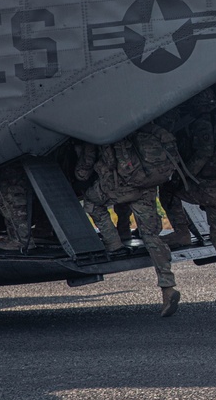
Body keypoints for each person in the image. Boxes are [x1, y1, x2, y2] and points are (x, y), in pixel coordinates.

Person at [75, 126, 181, 317]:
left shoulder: (95, 126)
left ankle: (114, 244)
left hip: (118, 185)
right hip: (146, 184)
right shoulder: (139, 122)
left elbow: (82, 172)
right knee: (151, 236)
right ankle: (168, 287)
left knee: (92, 203)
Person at [158, 89, 216, 306]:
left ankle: (181, 233)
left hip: (208, 185)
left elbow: (204, 153)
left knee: (168, 189)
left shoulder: (202, 123)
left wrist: (185, 176)